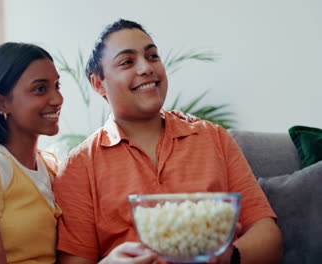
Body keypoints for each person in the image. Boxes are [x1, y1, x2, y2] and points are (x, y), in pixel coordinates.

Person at [54, 19, 283, 264]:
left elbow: (268, 236)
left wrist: (229, 257)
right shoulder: (80, 165)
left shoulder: (213, 138)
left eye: (152, 56)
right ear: (99, 83)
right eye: (127, 62)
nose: (146, 68)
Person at [0, 42, 158, 264]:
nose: (57, 99)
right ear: (0, 103)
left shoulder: (49, 169)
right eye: (40, 89)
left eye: (56, 86)